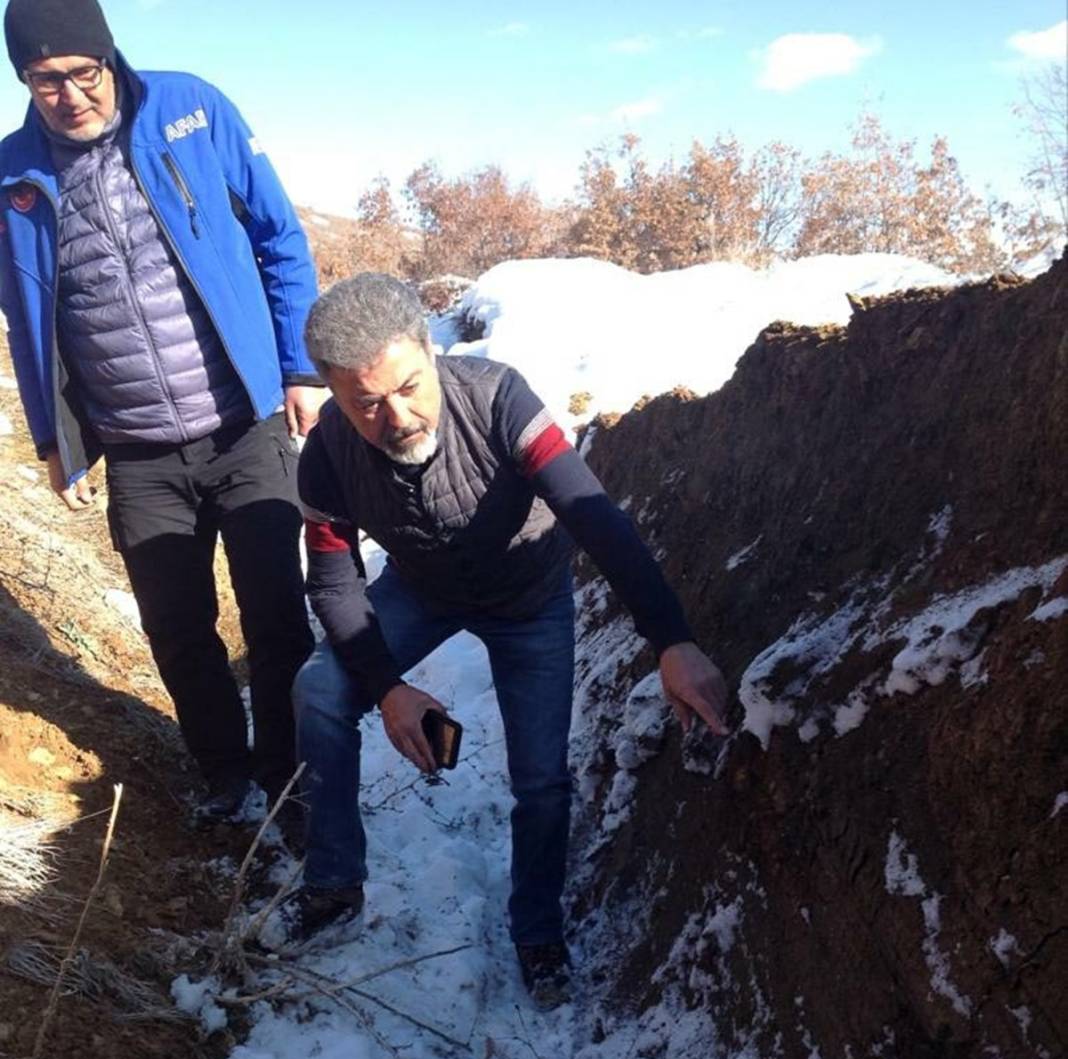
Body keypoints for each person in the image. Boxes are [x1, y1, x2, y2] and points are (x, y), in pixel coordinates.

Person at [294, 274, 729, 1008]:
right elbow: (335, 585)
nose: (396, 415)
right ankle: (334, 882)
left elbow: (594, 515)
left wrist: (672, 639)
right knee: (319, 689)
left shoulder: (499, 400)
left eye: (409, 386)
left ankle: (536, 928)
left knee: (541, 780)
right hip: (423, 589)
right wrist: (387, 687)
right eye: (366, 402)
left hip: (529, 597)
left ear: (432, 352)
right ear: (334, 396)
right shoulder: (326, 458)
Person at [0, 0, 320, 819]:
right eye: (44, 81)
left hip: (242, 426)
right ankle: (225, 776)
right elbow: (26, 315)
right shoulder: (13, 179)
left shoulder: (191, 109)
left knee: (277, 616)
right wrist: (51, 438)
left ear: (110, 58)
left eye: (82, 72)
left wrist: (300, 367)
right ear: (25, 83)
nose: (69, 94)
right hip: (139, 452)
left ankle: (289, 774)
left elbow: (280, 236)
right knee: (178, 631)